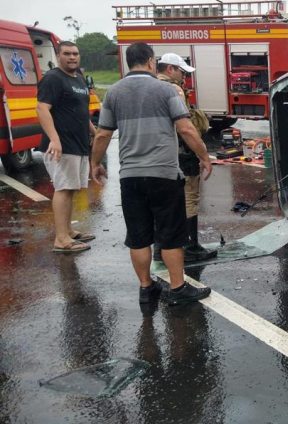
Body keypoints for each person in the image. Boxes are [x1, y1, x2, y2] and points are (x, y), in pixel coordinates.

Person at [90, 42, 213, 306]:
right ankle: (178, 289)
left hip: (130, 177)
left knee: (138, 236)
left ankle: (146, 289)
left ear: (127, 62)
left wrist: (95, 163)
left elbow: (102, 133)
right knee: (170, 235)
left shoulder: (113, 92)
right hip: (164, 175)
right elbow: (187, 129)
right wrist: (204, 156)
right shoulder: (165, 90)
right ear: (150, 62)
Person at [154, 54, 217, 263]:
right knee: (189, 198)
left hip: (160, 153)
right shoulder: (174, 89)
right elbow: (185, 127)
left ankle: (160, 249)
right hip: (182, 152)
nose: (184, 78)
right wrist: (202, 155)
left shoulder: (151, 86)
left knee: (163, 202)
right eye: (182, 72)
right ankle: (191, 247)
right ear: (170, 69)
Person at [36, 41, 97, 253]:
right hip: (61, 146)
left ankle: (68, 232)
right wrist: (54, 139)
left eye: (75, 53)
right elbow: (42, 108)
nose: (72, 57)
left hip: (78, 144)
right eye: (67, 54)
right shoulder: (53, 78)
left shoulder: (78, 77)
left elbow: (81, 110)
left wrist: (95, 132)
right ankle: (61, 239)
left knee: (71, 189)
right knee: (62, 189)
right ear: (58, 55)